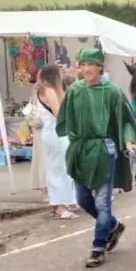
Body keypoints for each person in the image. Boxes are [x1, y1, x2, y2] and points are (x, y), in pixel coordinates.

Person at [56, 47, 136, 268]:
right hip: (80, 149)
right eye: (82, 64)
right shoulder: (74, 90)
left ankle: (98, 247)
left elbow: (126, 119)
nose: (86, 69)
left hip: (105, 150)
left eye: (90, 65)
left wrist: (129, 140)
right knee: (83, 199)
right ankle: (113, 226)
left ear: (100, 67)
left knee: (102, 202)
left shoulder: (112, 91)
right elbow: (65, 118)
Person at [37, 64, 79, 219]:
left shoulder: (43, 90)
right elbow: (59, 113)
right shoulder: (50, 91)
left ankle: (59, 205)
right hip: (56, 134)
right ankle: (61, 206)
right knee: (61, 169)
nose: (62, 76)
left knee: (56, 168)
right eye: (60, 73)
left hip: (51, 133)